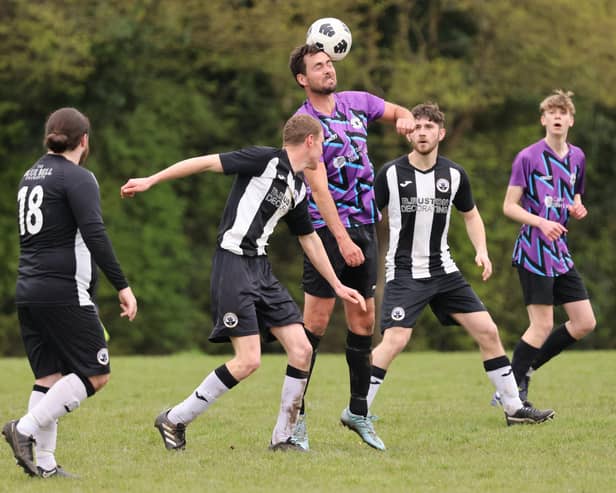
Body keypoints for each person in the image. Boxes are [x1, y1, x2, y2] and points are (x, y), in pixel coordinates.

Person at [120, 114, 366, 452]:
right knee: (249, 360)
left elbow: (308, 239)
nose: (322, 150)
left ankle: (283, 439)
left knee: (302, 349)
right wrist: (152, 179)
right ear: (310, 141)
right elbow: (205, 163)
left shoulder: (296, 186)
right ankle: (175, 419)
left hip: (260, 269)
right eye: (322, 142)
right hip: (233, 263)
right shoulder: (264, 159)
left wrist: (337, 285)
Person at [365, 102, 555, 426]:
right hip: (404, 272)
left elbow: (471, 215)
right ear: (409, 132)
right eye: (417, 127)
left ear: (441, 133)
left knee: (488, 331)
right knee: (395, 340)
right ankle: (359, 408)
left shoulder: (454, 174)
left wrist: (481, 250)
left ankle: (514, 408)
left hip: (444, 271)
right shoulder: (391, 174)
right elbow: (367, 217)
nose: (422, 133)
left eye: (429, 127)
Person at [287, 43, 415, 451]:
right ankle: (294, 421)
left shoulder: (357, 102)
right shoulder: (303, 123)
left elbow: (396, 111)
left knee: (363, 322)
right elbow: (318, 186)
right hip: (327, 232)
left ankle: (358, 412)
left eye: (328, 63)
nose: (328, 70)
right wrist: (341, 240)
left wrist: (407, 119)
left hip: (363, 228)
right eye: (317, 67)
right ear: (302, 79)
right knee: (315, 327)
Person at [2, 107, 138, 478]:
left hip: (29, 289)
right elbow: (95, 234)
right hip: (62, 290)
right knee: (96, 372)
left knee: (49, 376)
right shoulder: (78, 177)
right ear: (84, 140)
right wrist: (122, 286)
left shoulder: (29, 175)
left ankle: (44, 466)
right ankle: (24, 430)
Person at [499, 90, 596, 405]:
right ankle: (513, 394)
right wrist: (541, 222)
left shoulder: (578, 157)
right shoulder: (528, 157)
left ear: (571, 120)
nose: (557, 116)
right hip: (533, 252)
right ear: (543, 119)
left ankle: (521, 373)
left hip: (560, 253)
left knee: (584, 323)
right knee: (541, 325)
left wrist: (577, 208)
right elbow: (509, 207)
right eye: (551, 112)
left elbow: (574, 196)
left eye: (562, 112)